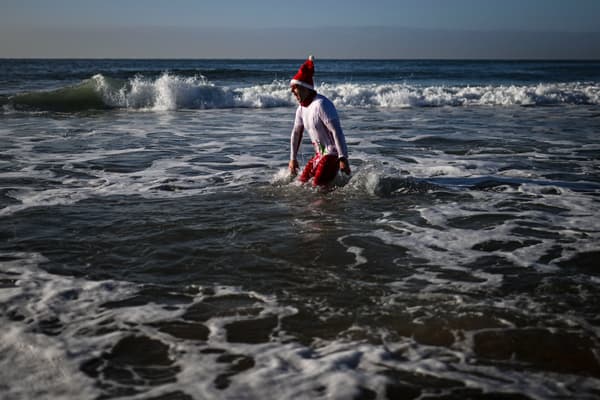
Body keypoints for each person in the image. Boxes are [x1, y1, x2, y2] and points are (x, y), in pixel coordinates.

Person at [288, 56, 350, 186]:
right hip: (320, 154)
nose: (292, 91)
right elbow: (296, 134)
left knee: (317, 185)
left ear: (305, 87)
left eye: (295, 87)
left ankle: (326, 205)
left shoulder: (321, 104)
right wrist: (292, 159)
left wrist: (342, 158)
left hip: (332, 154)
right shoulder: (301, 109)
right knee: (301, 183)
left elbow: (336, 131)